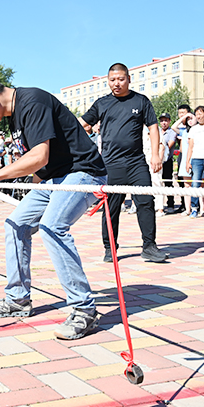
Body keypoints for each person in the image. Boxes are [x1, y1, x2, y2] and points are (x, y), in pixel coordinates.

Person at [0, 72, 107, 340]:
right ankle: (18, 299)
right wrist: (34, 192)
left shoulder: (33, 102)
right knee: (15, 224)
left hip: (84, 173)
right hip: (53, 179)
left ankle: (84, 309)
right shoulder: (13, 116)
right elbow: (39, 163)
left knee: (52, 227)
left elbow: (39, 156)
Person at [79, 63, 166, 263]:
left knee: (145, 203)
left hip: (136, 163)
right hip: (110, 164)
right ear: (108, 81)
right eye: (112, 80)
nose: (116, 83)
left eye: (120, 79)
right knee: (111, 208)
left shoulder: (141, 101)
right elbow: (81, 124)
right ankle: (110, 248)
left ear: (128, 79)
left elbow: (153, 127)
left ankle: (149, 246)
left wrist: (155, 155)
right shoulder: (102, 103)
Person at [170, 105, 195, 214]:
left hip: (196, 158)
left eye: (183, 113)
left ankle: (197, 207)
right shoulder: (183, 130)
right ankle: (187, 207)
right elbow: (173, 127)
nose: (181, 115)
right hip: (184, 158)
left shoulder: (195, 129)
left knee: (197, 184)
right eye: (179, 113)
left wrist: (191, 117)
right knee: (185, 184)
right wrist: (183, 118)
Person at [158, 113, 176, 212]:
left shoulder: (172, 132)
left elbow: (168, 145)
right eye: (162, 121)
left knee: (168, 182)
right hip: (157, 160)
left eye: (166, 120)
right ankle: (158, 204)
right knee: (157, 182)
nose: (163, 123)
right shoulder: (157, 131)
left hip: (167, 161)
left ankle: (170, 204)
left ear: (169, 121)